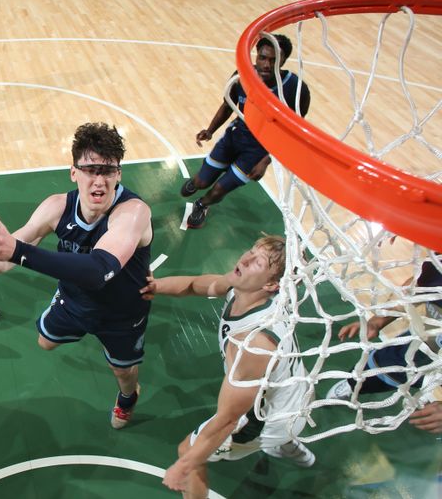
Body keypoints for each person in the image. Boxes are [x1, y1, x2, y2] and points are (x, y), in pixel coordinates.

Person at [0, 122, 154, 429]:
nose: (99, 180)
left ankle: (128, 398)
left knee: (123, 373)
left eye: (108, 170)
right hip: (74, 300)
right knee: (45, 342)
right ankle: (75, 319)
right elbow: (3, 263)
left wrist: (16, 250)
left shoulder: (133, 212)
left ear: (119, 174)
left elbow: (99, 271)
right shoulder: (56, 207)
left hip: (122, 313)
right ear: (73, 172)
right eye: (90, 170)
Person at [140, 236, 315, 496]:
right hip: (295, 393)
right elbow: (196, 285)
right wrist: (156, 285)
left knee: (188, 451)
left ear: (271, 284)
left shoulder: (254, 344)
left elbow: (228, 420)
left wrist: (184, 465)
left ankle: (279, 440)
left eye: (258, 261)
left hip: (269, 419)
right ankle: (287, 444)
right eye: (252, 250)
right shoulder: (245, 288)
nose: (245, 258)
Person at [181, 34, 311, 228]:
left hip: (258, 150)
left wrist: (266, 161)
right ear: (256, 55)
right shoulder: (242, 75)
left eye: (274, 60)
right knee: (201, 182)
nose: (267, 64)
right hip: (235, 137)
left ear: (283, 61)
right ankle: (199, 183)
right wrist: (210, 130)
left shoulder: (295, 89)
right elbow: (227, 105)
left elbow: (291, 133)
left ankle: (202, 204)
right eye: (263, 58)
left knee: (218, 191)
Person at [328, 255, 441, 435]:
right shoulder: (438, 264)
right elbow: (415, 289)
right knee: (376, 370)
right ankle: (352, 385)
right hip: (426, 346)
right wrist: (378, 320)